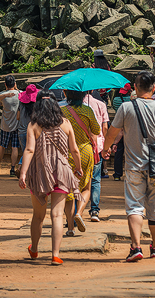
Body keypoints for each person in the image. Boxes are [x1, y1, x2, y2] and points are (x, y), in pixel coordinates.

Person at [102, 71, 155, 262]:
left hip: (134, 166)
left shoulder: (125, 108)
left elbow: (112, 133)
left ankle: (136, 247)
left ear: (135, 87)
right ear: (154, 88)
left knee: (134, 207)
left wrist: (105, 149)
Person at [18, 94, 83, 265]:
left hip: (39, 174)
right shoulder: (66, 123)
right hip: (61, 172)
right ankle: (55, 254)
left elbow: (29, 150)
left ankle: (34, 249)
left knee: (38, 216)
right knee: (57, 215)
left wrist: (23, 173)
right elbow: (75, 150)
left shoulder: (33, 125)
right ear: (56, 105)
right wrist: (78, 167)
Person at [61, 90, 101, 234]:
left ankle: (70, 228)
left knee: (68, 192)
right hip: (85, 150)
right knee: (86, 188)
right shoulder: (88, 110)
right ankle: (80, 212)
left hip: (67, 152)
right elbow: (97, 129)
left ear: (66, 95)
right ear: (83, 95)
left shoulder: (61, 111)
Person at [86, 91, 110, 221]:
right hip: (97, 147)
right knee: (95, 180)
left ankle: (74, 212)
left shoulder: (73, 107)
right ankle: (94, 210)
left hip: (80, 148)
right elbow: (104, 127)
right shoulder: (101, 104)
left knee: (78, 180)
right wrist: (107, 145)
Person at [0, 76, 21, 177]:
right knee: (15, 147)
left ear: (5, 84)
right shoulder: (20, 94)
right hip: (17, 125)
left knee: (2, 146)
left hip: (5, 125)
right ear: (15, 83)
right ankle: (12, 168)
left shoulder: (2, 95)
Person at [109, 83, 133, 181]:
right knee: (129, 152)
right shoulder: (131, 102)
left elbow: (115, 109)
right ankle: (129, 174)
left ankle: (117, 174)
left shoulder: (115, 100)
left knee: (118, 152)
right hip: (130, 128)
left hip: (119, 126)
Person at [16, 84, 38, 169]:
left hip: (21, 131)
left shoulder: (20, 104)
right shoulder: (36, 106)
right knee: (32, 151)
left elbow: (18, 117)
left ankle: (23, 168)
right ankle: (21, 165)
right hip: (32, 132)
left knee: (25, 151)